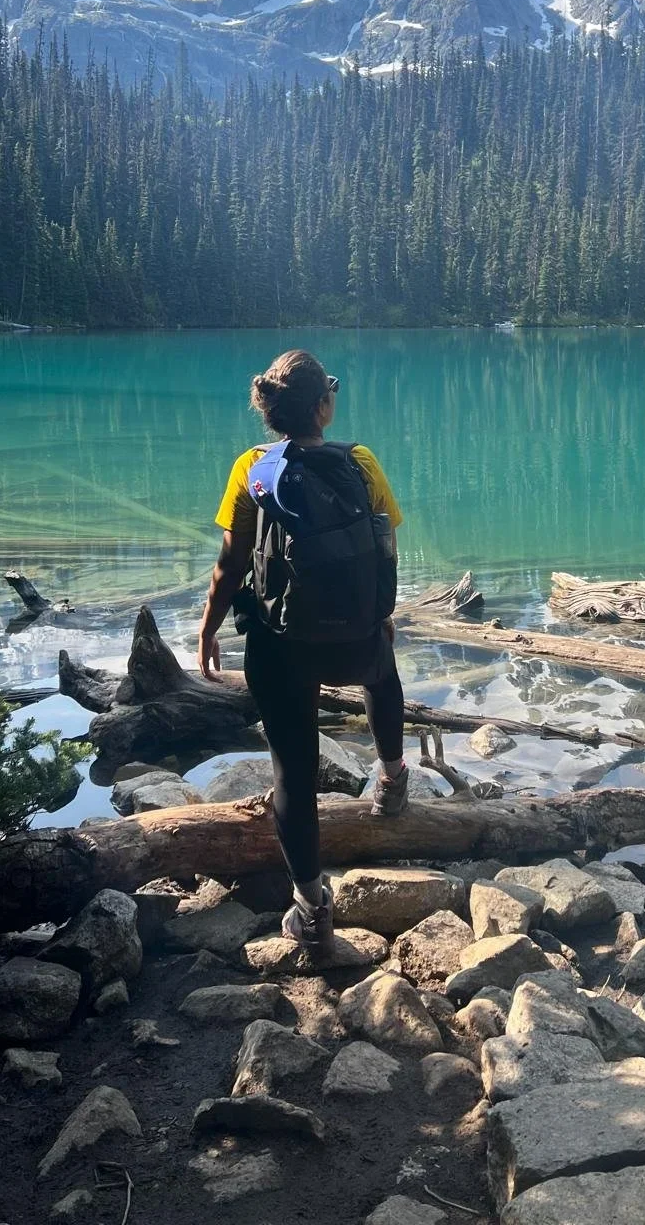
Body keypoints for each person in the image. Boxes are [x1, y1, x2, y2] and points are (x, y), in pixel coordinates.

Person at [198, 349, 408, 959]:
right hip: (355, 640)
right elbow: (384, 545)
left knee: (293, 772)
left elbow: (231, 564)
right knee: (382, 675)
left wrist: (210, 627)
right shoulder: (360, 462)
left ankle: (313, 908)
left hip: (279, 644)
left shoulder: (252, 468)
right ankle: (393, 779)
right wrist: (379, 616)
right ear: (323, 405)